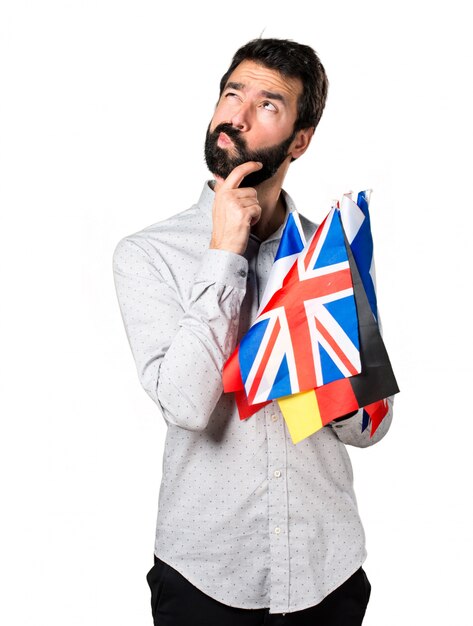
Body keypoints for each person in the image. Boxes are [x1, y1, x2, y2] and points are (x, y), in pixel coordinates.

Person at [112, 37, 393, 626]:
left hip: (327, 571)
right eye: (231, 94)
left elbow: (373, 425)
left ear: (300, 139)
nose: (235, 116)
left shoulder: (328, 253)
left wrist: (319, 346)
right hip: (205, 577)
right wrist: (223, 254)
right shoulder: (150, 254)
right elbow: (186, 405)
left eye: (267, 104)